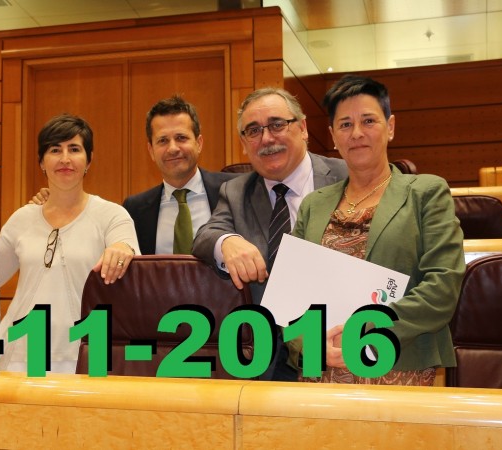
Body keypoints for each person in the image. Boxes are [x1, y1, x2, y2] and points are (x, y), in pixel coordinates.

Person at [291, 75, 464, 385]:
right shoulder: (313, 205)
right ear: (332, 135)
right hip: (321, 371)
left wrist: (366, 329)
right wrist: (310, 344)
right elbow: (291, 296)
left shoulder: (426, 193)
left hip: (398, 366)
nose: (356, 133)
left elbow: (442, 287)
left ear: (390, 126)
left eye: (368, 121)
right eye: (345, 124)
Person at [191, 88, 348, 381]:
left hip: (342, 343)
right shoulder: (236, 191)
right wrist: (228, 242)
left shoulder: (347, 176)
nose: (266, 139)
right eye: (254, 131)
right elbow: (205, 236)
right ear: (243, 143)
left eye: (277, 124)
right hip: (268, 358)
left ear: (303, 128)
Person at [0, 113, 139, 373]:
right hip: (21, 354)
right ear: (41, 162)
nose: (65, 159)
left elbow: (127, 249)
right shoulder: (22, 219)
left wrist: (122, 249)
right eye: (55, 150)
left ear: (89, 160)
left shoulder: (111, 215)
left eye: (74, 149)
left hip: (87, 352)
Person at [123, 95, 238, 254]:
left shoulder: (234, 190)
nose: (172, 148)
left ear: (199, 143)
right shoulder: (134, 209)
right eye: (163, 140)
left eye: (181, 138)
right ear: (151, 151)